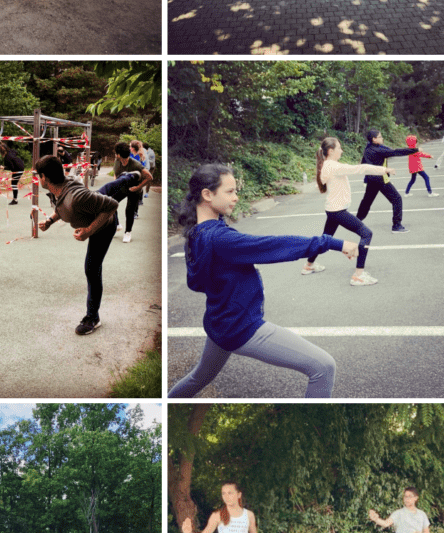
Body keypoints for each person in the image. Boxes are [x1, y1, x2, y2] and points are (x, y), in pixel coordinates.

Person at [168, 165, 353, 397]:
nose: (236, 198)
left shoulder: (195, 234)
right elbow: (274, 246)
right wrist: (334, 243)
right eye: (230, 192)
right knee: (324, 367)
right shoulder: (220, 239)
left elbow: (196, 283)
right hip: (241, 327)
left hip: (219, 323)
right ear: (207, 195)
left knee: (198, 378)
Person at [36, 154, 120, 335]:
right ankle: (131, 177)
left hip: (104, 224)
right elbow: (61, 207)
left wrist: (89, 230)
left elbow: (112, 205)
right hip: (93, 210)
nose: (38, 179)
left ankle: (93, 318)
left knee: (92, 269)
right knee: (111, 188)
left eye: (38, 176)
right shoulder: (60, 188)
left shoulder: (75, 197)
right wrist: (50, 221)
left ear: (44, 177)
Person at [300, 136, 390, 286]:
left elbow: (323, 182)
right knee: (367, 234)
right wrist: (383, 169)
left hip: (332, 210)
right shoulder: (333, 167)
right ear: (331, 151)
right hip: (338, 211)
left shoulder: (328, 166)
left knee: (325, 239)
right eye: (339, 148)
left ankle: (308, 266)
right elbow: (359, 168)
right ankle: (359, 275)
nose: (341, 150)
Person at [354, 129, 419, 233]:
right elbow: (395, 152)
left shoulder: (369, 148)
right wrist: (414, 150)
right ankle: (396, 226)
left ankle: (356, 222)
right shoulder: (378, 150)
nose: (382, 138)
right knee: (396, 199)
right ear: (374, 139)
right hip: (380, 179)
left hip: (372, 180)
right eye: (380, 137)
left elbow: (363, 163)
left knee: (366, 202)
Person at [112, 141, 152, 242]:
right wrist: (115, 183)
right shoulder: (117, 161)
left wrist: (138, 187)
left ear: (119, 154)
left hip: (134, 189)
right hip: (122, 187)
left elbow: (149, 177)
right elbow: (116, 174)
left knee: (129, 211)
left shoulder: (136, 165)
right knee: (110, 203)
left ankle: (127, 233)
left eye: (116, 152)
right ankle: (117, 225)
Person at [403, 133, 437, 198]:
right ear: (413, 142)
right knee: (426, 177)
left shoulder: (410, 149)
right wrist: (430, 156)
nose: (416, 142)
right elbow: (422, 154)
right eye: (415, 141)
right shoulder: (414, 150)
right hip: (417, 167)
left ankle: (406, 193)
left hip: (413, 167)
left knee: (413, 180)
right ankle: (430, 192)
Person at [0, 139, 26, 205]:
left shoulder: (7, 158)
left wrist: (3, 167)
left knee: (13, 184)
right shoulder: (11, 151)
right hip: (20, 165)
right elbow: (16, 152)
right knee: (14, 183)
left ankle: (15, 200)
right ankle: (15, 199)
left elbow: (11, 168)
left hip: (17, 169)